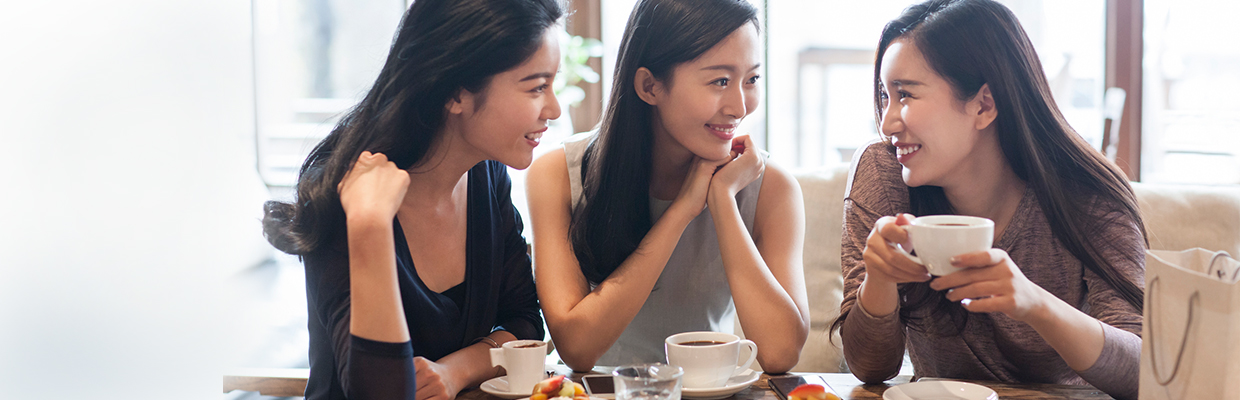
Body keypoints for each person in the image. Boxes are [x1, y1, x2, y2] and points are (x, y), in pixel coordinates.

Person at [830, 0, 1146, 399]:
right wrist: (878, 280)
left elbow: (1144, 371)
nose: (888, 122)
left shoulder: (1086, 192)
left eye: (905, 95)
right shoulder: (884, 174)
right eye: (884, 95)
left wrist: (1034, 302)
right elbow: (870, 368)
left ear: (983, 105)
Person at [260, 0, 564, 399]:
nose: (554, 109)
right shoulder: (345, 193)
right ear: (456, 92)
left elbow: (524, 323)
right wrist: (369, 228)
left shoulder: (486, 172)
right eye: (536, 87)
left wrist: (454, 371)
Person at [525, 0, 810, 373]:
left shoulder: (770, 187)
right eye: (720, 81)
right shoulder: (559, 175)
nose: (740, 106)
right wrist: (681, 211)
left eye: (751, 79)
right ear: (649, 86)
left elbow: (780, 353)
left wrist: (722, 198)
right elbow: (577, 348)